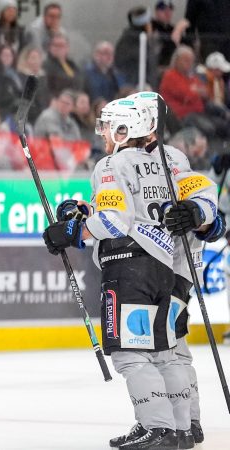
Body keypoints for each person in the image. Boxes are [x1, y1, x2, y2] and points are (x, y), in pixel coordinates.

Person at [43, 97, 218, 450]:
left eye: (109, 125)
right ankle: (182, 426)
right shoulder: (172, 161)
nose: (103, 132)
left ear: (126, 129)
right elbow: (198, 196)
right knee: (167, 351)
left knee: (132, 354)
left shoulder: (112, 163)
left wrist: (72, 232)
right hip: (165, 265)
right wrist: (85, 210)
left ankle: (159, 426)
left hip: (131, 267)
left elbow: (114, 220)